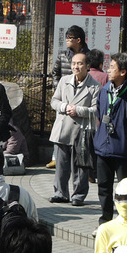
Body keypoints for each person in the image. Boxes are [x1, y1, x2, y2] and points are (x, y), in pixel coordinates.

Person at [93, 53, 127, 227]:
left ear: (123, 72)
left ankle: (125, 223)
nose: (108, 70)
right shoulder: (104, 91)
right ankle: (105, 221)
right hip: (103, 148)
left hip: (124, 151)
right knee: (103, 187)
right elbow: (100, 114)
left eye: (112, 68)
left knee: (124, 190)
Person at [48, 51, 100, 206]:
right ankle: (60, 193)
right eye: (74, 63)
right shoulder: (64, 81)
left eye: (80, 63)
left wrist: (78, 110)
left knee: (80, 166)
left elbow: (96, 109)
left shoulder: (95, 86)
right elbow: (54, 101)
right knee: (61, 166)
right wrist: (64, 106)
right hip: (62, 129)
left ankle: (78, 195)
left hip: (81, 131)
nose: (76, 66)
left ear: (88, 66)